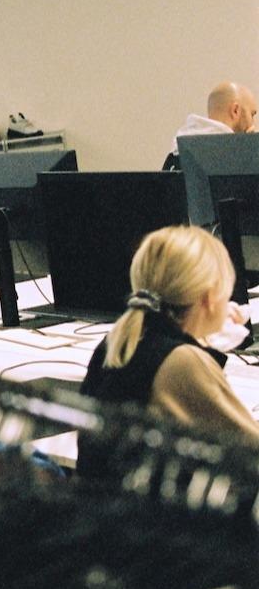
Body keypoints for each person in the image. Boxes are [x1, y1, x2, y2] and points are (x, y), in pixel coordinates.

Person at [77, 225, 259, 478]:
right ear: (209, 297)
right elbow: (251, 450)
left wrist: (203, 341)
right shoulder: (182, 361)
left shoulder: (119, 340)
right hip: (153, 515)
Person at [164, 80, 257, 169]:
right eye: (252, 114)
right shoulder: (236, 159)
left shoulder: (176, 154)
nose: (253, 123)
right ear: (235, 110)